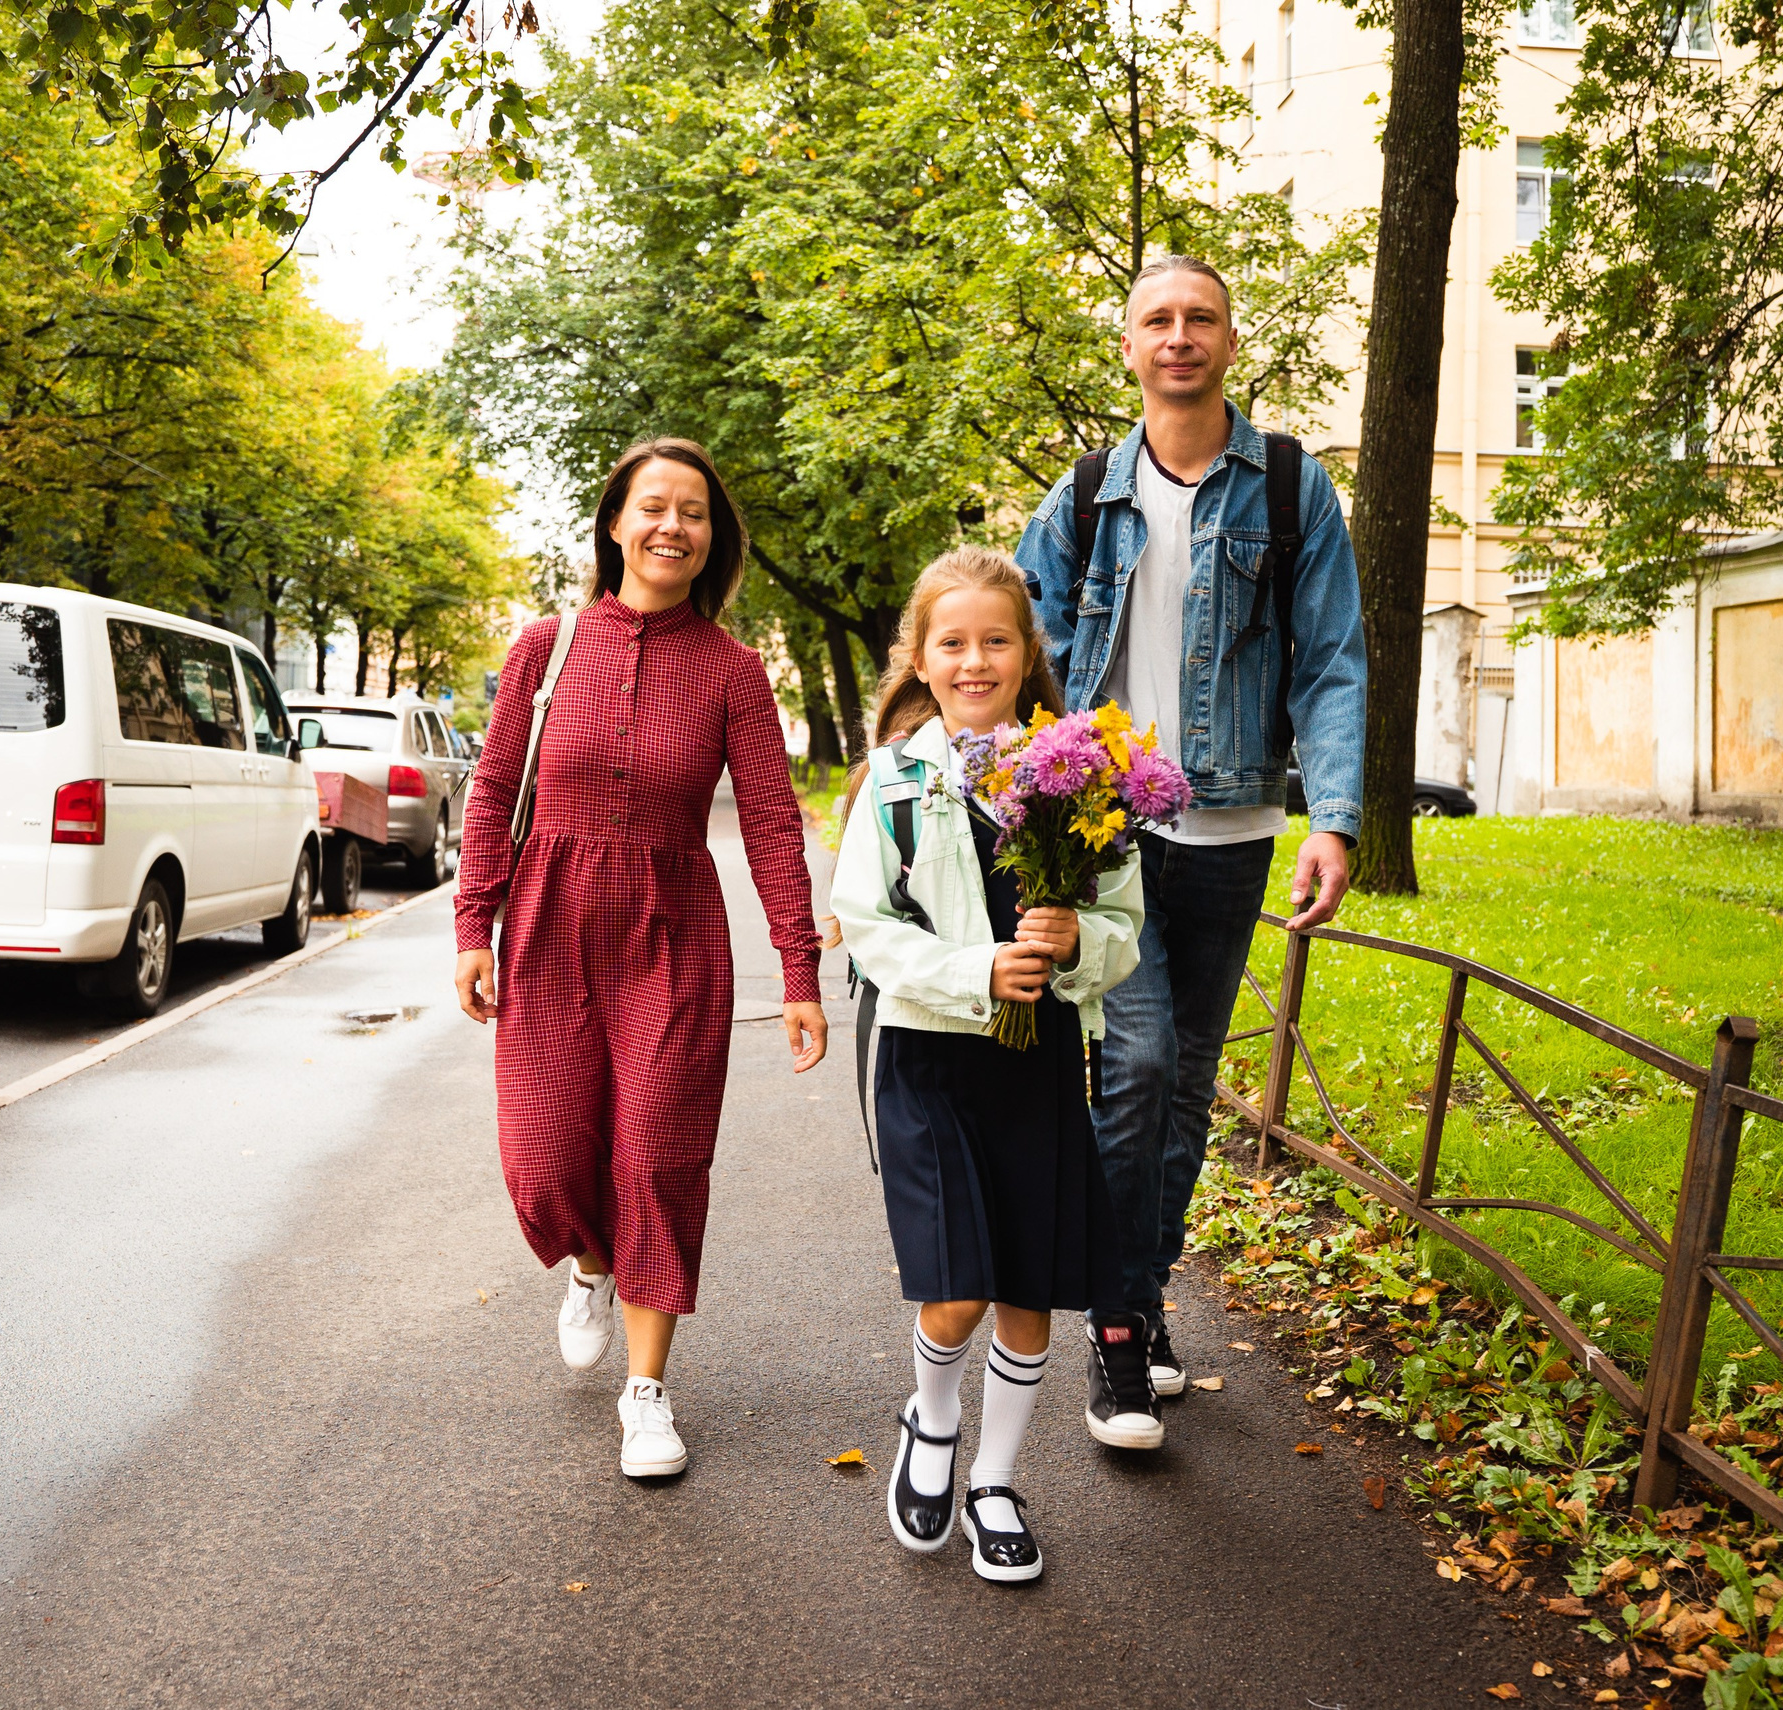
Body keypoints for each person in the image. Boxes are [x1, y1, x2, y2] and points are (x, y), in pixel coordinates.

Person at [1016, 254, 1368, 1440]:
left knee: (1184, 1095)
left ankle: (1140, 1300)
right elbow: (1024, 656)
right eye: (1156, 320)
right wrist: (1032, 803)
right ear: (1127, 346)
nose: (1179, 337)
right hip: (1112, 838)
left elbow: (1330, 662)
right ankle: (1117, 1337)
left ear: (1228, 339)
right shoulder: (1079, 499)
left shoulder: (1287, 487)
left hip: (1234, 830)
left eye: (1199, 318)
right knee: (1141, 1065)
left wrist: (1334, 816)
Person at [452, 438, 829, 1481]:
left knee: (658, 1164)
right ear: (615, 522)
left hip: (673, 938)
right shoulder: (546, 648)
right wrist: (470, 927)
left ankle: (649, 1390)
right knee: (544, 1169)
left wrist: (798, 971)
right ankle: (589, 1265)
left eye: (694, 513)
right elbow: (492, 795)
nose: (672, 527)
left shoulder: (735, 673)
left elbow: (768, 826)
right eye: (653, 507)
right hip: (549, 925)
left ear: (713, 539)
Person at [830, 546, 1151, 1584]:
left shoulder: (1080, 771)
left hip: (1040, 1063)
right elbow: (864, 923)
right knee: (957, 1288)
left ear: (1027, 653)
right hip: (929, 1062)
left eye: (996, 641)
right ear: (919, 658)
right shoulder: (891, 779)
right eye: (953, 642)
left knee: (1027, 1287)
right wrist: (976, 970)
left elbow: (1121, 926)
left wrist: (1072, 949)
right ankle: (931, 1423)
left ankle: (996, 1481)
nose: (976, 661)